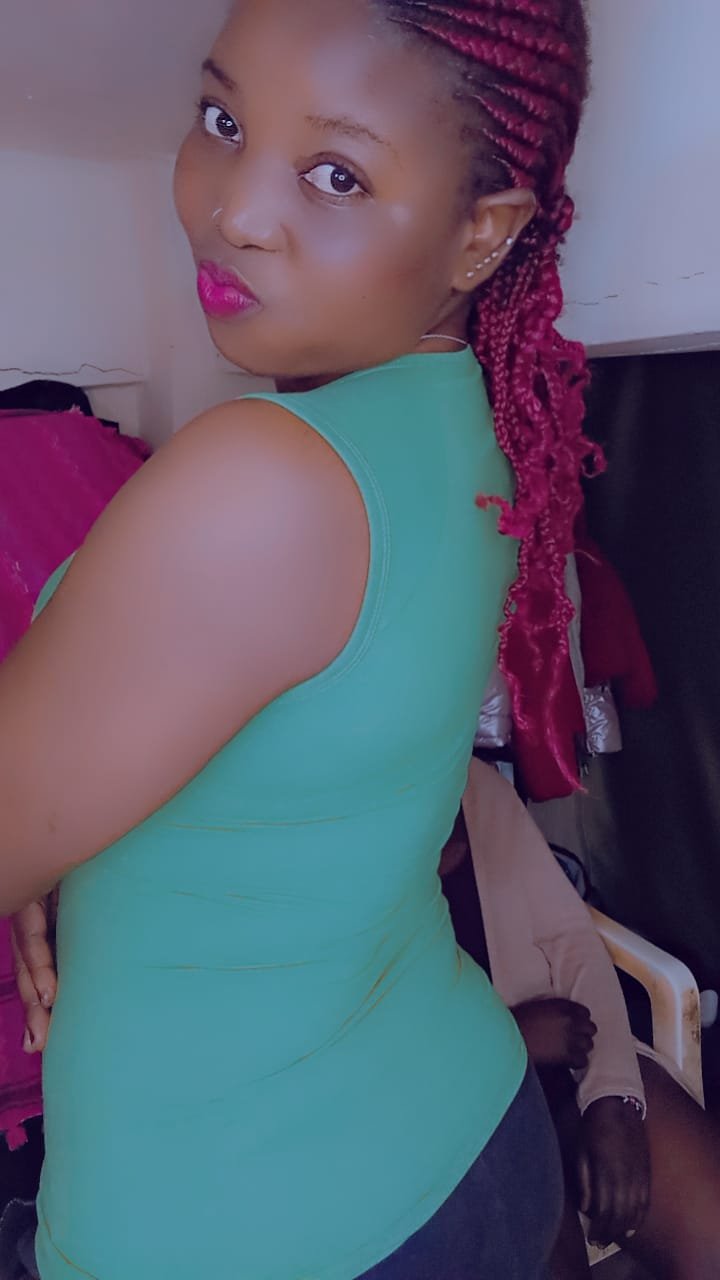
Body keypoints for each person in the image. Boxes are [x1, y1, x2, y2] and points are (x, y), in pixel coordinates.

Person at [2, 1, 597, 1275]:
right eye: (223, 119)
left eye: (336, 175)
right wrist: (56, 835)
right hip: (459, 1141)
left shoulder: (265, 476)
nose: (235, 211)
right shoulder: (472, 437)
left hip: (251, 1229)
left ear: (482, 232)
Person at [441, 758, 720, 1280]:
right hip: (453, 1109)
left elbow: (571, 940)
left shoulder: (475, 785)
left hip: (567, 1059)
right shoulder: (319, 839)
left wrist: (612, 1096)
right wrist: (510, 1039)